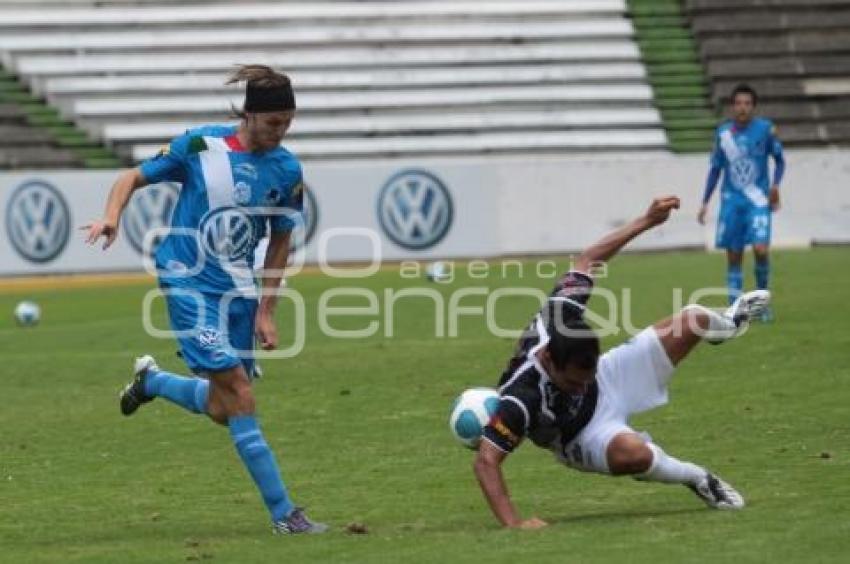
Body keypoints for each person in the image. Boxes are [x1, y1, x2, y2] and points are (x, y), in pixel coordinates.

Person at [83, 64, 327, 535]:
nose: (282, 131)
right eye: (274, 122)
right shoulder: (200, 145)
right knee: (240, 391)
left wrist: (267, 310)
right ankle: (285, 514)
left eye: (289, 123)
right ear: (249, 115)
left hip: (237, 292)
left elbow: (280, 241)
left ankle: (151, 382)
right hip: (186, 279)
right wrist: (111, 216)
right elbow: (132, 177)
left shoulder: (287, 168)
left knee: (222, 408)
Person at [473, 196, 771, 529]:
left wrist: (646, 221)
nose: (578, 388)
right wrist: (515, 524)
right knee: (636, 455)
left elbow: (588, 260)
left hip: (610, 377)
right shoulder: (522, 396)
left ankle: (729, 324)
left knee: (693, 320)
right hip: (582, 434)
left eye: (582, 378)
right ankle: (699, 479)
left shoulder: (561, 315)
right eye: (573, 383)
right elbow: (486, 461)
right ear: (548, 360)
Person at [698, 83, 785, 321]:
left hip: (758, 200)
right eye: (738, 103)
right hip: (732, 202)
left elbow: (780, 161)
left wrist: (776, 186)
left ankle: (761, 305)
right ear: (732, 107)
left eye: (747, 103)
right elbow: (715, 170)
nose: (742, 108)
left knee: (760, 250)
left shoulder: (765, 130)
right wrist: (705, 201)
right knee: (734, 255)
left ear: (753, 107)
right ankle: (735, 308)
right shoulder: (724, 134)